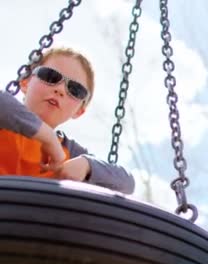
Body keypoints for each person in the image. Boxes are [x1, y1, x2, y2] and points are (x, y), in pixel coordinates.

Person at [0, 47, 135, 194]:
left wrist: (87, 165)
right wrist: (47, 137)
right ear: (25, 82)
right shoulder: (4, 122)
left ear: (79, 111)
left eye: (75, 90)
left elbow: (127, 184)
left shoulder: (69, 153)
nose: (60, 90)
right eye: (50, 76)